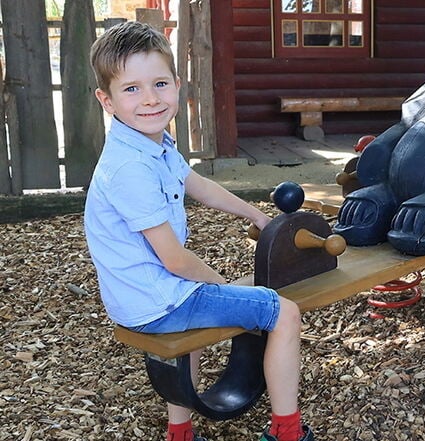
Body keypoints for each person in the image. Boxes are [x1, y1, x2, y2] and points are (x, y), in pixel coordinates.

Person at [84, 21, 314, 441]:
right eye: (131, 89)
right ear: (107, 99)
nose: (151, 99)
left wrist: (257, 216)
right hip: (157, 301)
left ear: (176, 83)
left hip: (144, 292)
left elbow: (197, 184)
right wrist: (222, 285)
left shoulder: (150, 141)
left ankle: (181, 434)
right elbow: (174, 260)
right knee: (283, 312)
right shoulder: (130, 169)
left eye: (159, 83)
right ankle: (287, 432)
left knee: (232, 300)